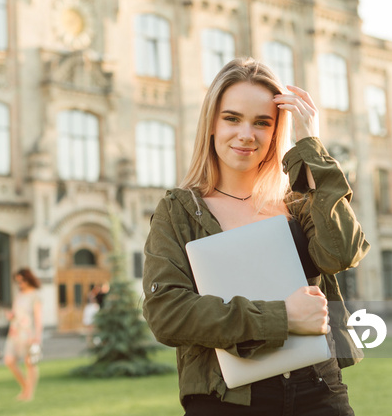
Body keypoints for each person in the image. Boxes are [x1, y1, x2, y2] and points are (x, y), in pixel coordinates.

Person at [142, 57, 370, 415]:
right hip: (226, 399)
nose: (246, 135)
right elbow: (167, 313)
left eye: (262, 123)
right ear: (212, 124)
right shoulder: (180, 211)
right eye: (232, 118)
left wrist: (311, 145)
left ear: (276, 131)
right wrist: (283, 316)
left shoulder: (297, 201)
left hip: (318, 389)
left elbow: (342, 253)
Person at [4, 268, 43, 401]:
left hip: (28, 332)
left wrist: (37, 335)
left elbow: (38, 318)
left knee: (30, 363)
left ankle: (29, 393)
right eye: (17, 281)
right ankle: (26, 387)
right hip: (15, 331)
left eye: (21, 280)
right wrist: (10, 316)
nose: (19, 283)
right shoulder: (19, 295)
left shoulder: (35, 295)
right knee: (9, 360)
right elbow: (15, 312)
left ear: (28, 279)